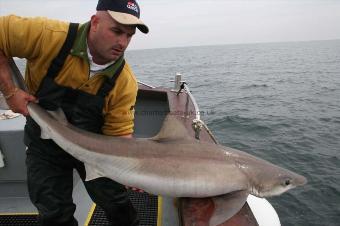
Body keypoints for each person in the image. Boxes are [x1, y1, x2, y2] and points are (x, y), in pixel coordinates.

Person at [0, 0, 148, 225]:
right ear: (95, 22)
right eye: (117, 31)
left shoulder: (124, 82)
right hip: (44, 141)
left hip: (94, 149)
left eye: (129, 36)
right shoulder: (49, 36)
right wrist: (10, 92)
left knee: (118, 206)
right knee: (54, 213)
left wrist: (131, 169)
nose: (122, 43)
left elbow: (119, 137)